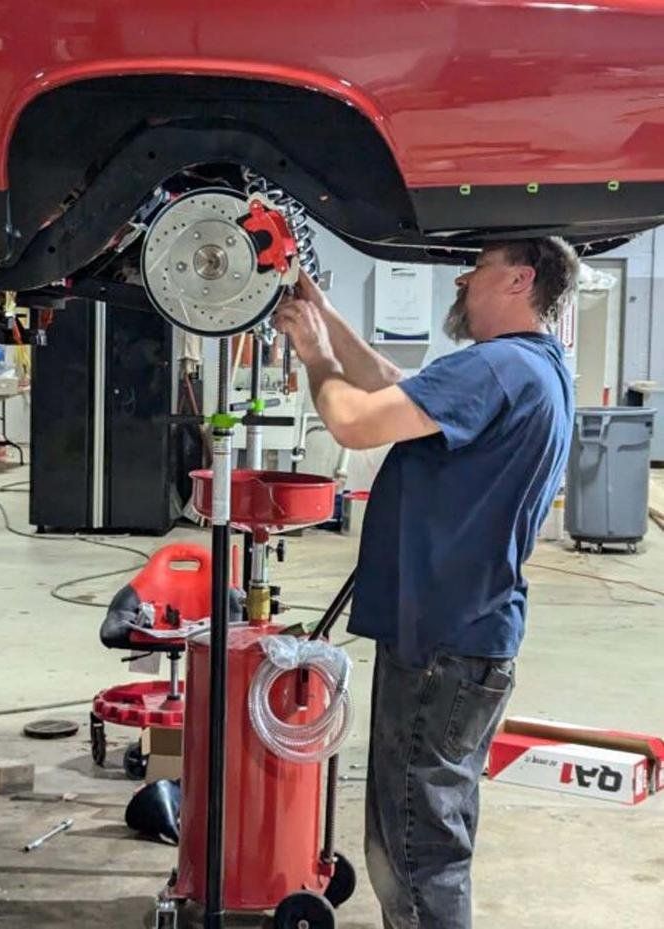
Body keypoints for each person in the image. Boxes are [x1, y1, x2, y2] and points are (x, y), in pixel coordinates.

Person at [274, 237, 579, 929]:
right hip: (468, 636)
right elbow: (388, 381)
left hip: (441, 641)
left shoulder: (497, 366)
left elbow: (354, 420)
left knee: (412, 850)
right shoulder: (535, 368)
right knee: (430, 830)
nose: (464, 279)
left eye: (480, 267)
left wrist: (315, 354)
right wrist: (321, 310)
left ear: (520, 279)